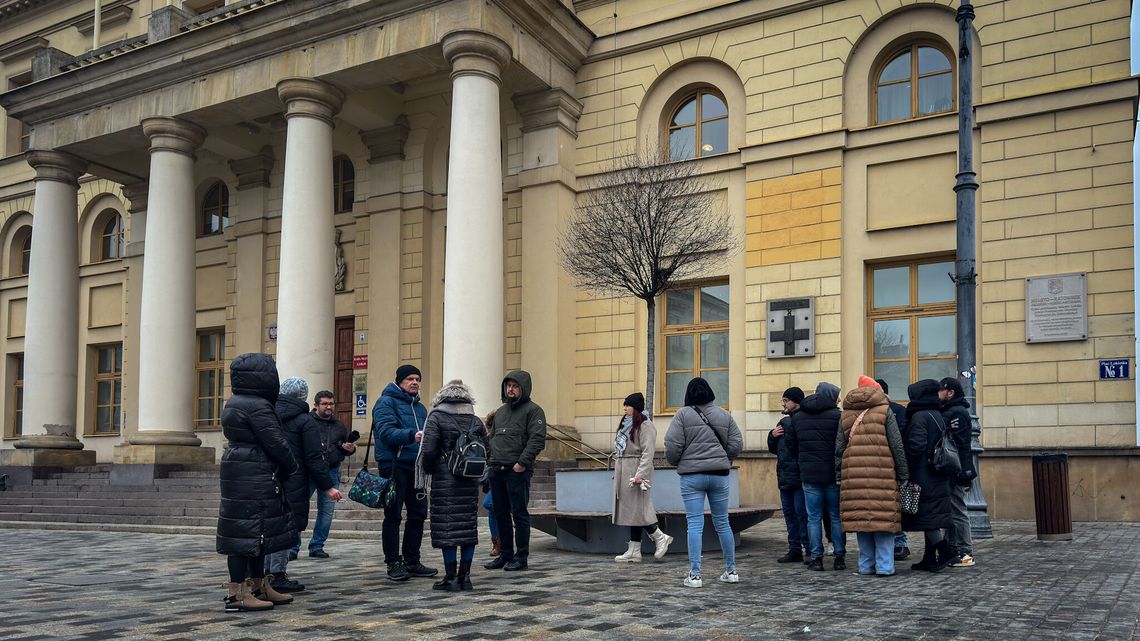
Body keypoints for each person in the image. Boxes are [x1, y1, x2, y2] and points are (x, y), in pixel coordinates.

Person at [216, 353, 300, 612]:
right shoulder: (258, 405)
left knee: (252, 532)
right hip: (256, 472)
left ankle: (258, 586)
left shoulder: (234, 402)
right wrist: (291, 467)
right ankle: (239, 593)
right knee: (248, 534)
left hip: (240, 469)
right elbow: (276, 443)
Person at [664, 378, 743, 588]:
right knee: (723, 523)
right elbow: (737, 442)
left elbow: (672, 445)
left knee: (695, 525)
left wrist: (676, 462)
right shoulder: (724, 415)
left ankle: (695, 575)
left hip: (692, 477)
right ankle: (731, 570)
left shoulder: (682, 415)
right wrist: (724, 459)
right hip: (719, 475)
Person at [266, 377, 342, 593]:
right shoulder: (304, 420)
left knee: (269, 526)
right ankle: (278, 574)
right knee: (285, 526)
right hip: (294, 479)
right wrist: (328, 485)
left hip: (268, 477)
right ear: (305, 397)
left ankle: (264, 573)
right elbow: (313, 457)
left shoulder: (267, 414)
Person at [837, 376, 909, 577]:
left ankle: (866, 566)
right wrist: (903, 473)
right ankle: (885, 566)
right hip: (883, 473)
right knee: (883, 520)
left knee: (862, 520)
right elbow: (896, 444)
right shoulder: (885, 411)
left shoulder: (845, 414)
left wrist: (839, 474)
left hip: (853, 474)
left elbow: (839, 447)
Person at [373, 364, 438, 581]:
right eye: (410, 378)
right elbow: (384, 432)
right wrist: (412, 435)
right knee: (393, 515)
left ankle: (412, 560)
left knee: (418, 513)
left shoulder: (421, 409)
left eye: (418, 379)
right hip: (393, 466)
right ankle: (393, 563)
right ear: (400, 381)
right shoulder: (385, 402)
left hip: (417, 467)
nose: (415, 382)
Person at [420, 379, 486, 592]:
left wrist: (430, 469)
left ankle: (450, 578)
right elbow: (487, 449)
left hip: (444, 479)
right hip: (469, 480)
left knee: (447, 528)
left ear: (442, 397)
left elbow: (428, 450)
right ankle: (465, 578)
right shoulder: (475, 419)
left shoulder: (436, 417)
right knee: (467, 527)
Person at [484, 370, 547, 572]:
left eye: (515, 386)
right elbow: (491, 439)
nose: (510, 389)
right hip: (497, 469)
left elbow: (536, 440)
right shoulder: (501, 412)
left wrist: (521, 464)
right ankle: (505, 555)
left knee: (519, 514)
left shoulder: (534, 411)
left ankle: (521, 557)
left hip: (517, 471)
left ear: (523, 388)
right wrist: (489, 461)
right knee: (500, 513)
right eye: (508, 385)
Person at [787, 381, 847, 571]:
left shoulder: (798, 417)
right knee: (835, 516)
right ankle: (839, 557)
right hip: (832, 474)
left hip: (809, 474)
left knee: (813, 517)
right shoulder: (839, 417)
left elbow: (791, 446)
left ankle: (816, 558)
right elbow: (843, 445)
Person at [294, 390, 356, 559]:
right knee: (298, 508)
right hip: (308, 471)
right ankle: (293, 547)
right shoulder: (305, 421)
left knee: (327, 511)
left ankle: (317, 546)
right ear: (316, 405)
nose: (329, 407)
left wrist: (350, 449)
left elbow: (344, 446)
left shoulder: (338, 425)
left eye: (331, 404)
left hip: (332, 470)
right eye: (325, 404)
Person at [612, 392, 673, 562]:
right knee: (632, 511)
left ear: (635, 407)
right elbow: (622, 451)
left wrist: (640, 474)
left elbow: (648, 453)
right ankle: (634, 549)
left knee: (638, 509)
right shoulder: (627, 424)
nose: (625, 409)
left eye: (628, 405)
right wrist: (618, 472)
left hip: (637, 471)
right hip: (625, 470)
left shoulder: (645, 425)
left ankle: (660, 537)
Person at [903, 379, 955, 572]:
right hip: (937, 473)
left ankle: (945, 552)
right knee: (931, 516)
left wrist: (906, 467)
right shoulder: (935, 414)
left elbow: (916, 446)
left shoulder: (919, 416)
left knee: (928, 517)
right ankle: (928, 557)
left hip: (924, 475)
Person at [939, 376, 978, 568]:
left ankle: (965, 552)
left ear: (950, 392)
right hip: (956, 468)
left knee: (959, 510)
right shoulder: (952, 410)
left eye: (941, 390)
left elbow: (961, 445)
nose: (939, 394)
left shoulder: (957, 413)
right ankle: (953, 549)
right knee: (953, 510)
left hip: (958, 469)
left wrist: (963, 470)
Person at [768, 386, 808, 564]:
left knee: (802, 515)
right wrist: (772, 436)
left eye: (786, 400)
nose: (783, 404)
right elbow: (775, 449)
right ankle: (795, 549)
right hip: (785, 476)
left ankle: (808, 548)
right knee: (791, 515)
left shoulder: (795, 421)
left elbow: (797, 447)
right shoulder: (783, 424)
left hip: (799, 477)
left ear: (795, 402)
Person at [876, 377, 911, 561]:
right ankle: (896, 544)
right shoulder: (897, 411)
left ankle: (900, 542)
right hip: (885, 465)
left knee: (896, 506)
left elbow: (901, 441)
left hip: (892, 465)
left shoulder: (897, 411)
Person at [481, 411, 501, 558]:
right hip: (491, 478)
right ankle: (497, 543)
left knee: (490, 504)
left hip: (503, 476)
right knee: (492, 511)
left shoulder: (503, 440)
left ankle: (500, 542)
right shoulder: (487, 440)